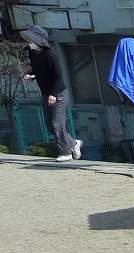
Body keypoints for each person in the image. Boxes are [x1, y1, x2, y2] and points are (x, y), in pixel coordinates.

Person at [21, 26, 80, 162]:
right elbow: (36, 70)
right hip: (45, 93)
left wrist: (53, 94)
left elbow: (58, 77)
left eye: (31, 39)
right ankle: (74, 143)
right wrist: (31, 75)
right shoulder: (32, 54)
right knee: (49, 125)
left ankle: (65, 152)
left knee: (57, 123)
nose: (29, 42)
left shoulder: (50, 55)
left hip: (57, 94)